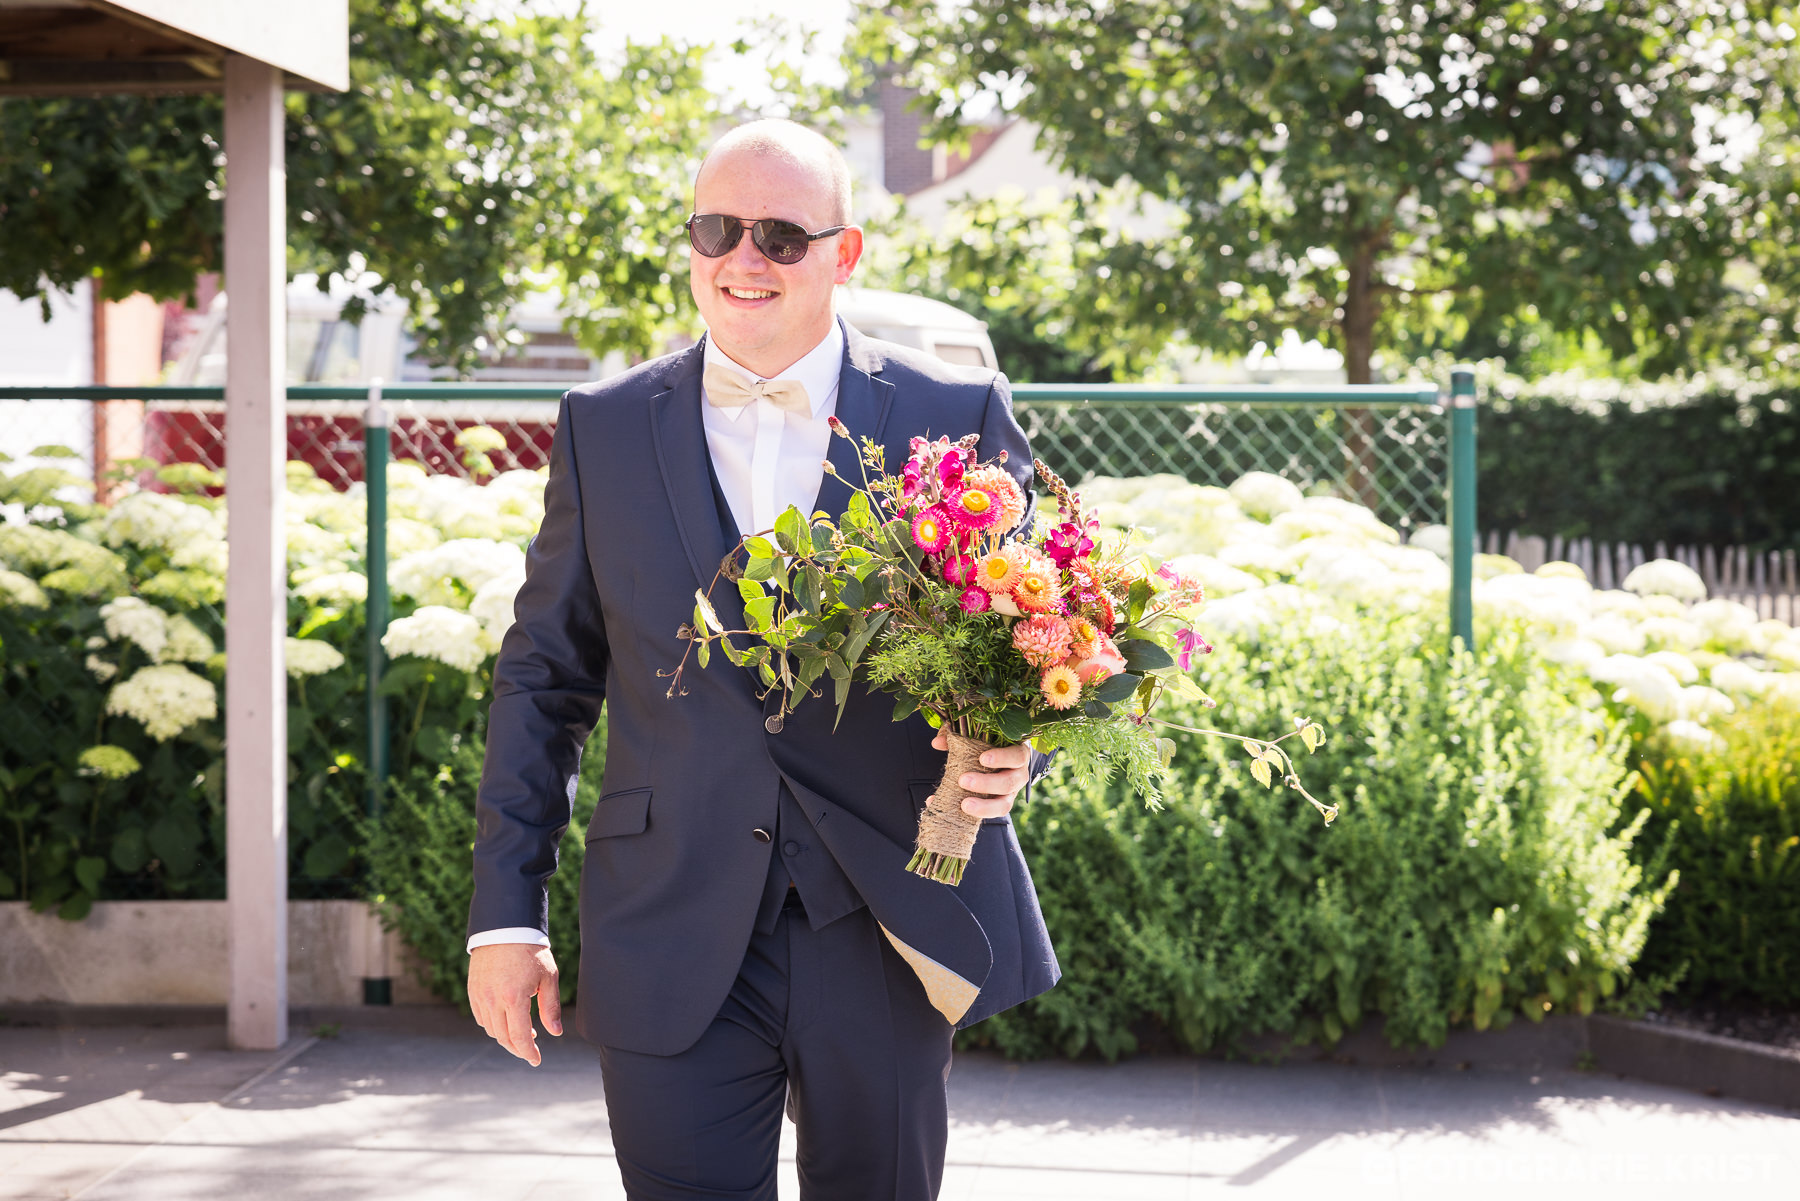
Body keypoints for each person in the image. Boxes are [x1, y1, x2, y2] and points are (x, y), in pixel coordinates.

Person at [465, 119, 1059, 1200]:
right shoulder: (600, 426)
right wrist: (506, 916)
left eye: (783, 235)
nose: (745, 259)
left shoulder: (952, 413)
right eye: (717, 228)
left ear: (846, 253)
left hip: (881, 918)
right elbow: (543, 679)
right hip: (669, 917)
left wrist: (1018, 751)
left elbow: (1041, 630)